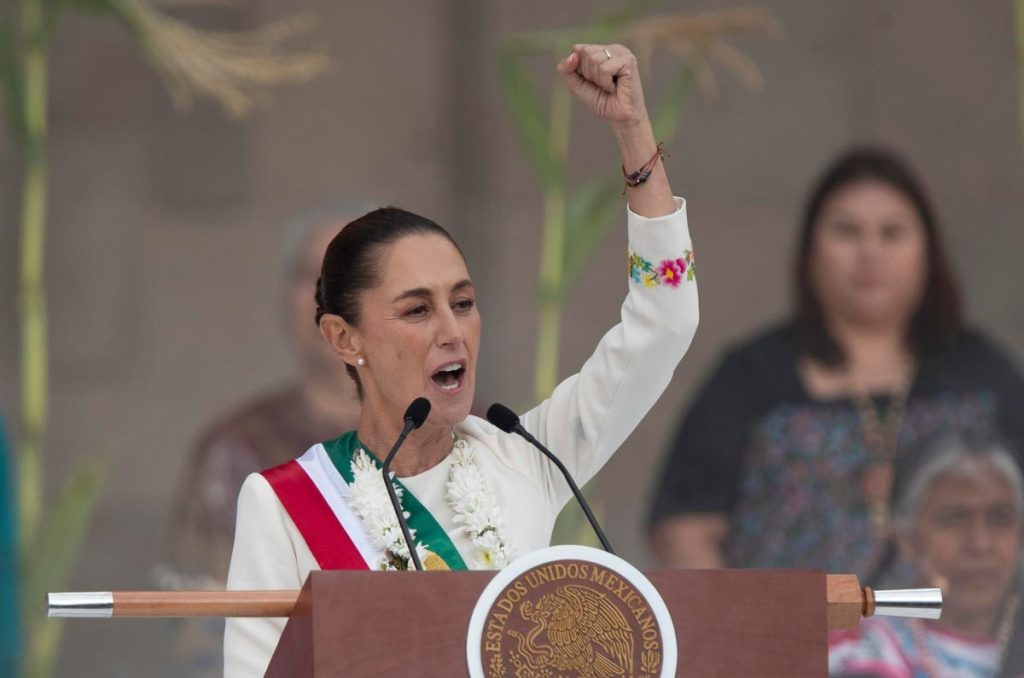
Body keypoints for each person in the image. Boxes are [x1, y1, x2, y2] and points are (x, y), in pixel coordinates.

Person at [224, 43, 700, 676]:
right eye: (417, 310)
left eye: (464, 302)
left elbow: (666, 322)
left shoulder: (528, 458)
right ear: (344, 338)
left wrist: (634, 134)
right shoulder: (284, 503)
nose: (453, 331)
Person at [648, 147, 1024, 577]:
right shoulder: (750, 376)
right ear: (811, 249)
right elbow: (682, 533)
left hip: (961, 641)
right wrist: (744, 634)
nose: (870, 252)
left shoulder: (982, 374)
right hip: (788, 639)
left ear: (928, 250)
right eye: (847, 231)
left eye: (892, 233)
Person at [169, 213, 362, 674]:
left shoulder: (462, 440)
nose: (326, 294)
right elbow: (201, 631)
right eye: (308, 276)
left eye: (351, 275)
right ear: (283, 300)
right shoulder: (235, 449)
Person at [829, 434, 1022, 677]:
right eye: (954, 518)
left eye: (1000, 519)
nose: (980, 543)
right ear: (906, 539)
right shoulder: (856, 651)